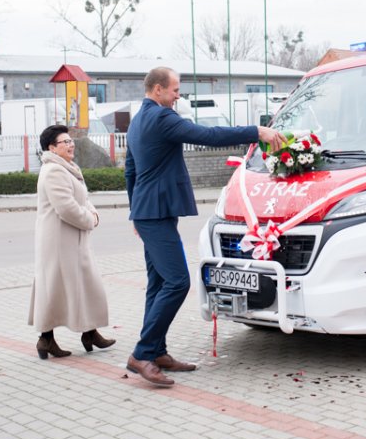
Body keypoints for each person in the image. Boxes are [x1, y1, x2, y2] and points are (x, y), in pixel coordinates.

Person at [124, 67, 284, 386]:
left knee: (158, 283)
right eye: (174, 90)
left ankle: (155, 350)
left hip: (150, 211)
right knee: (178, 282)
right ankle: (142, 353)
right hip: (153, 214)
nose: (177, 95)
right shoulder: (160, 117)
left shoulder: (138, 121)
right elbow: (208, 136)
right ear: (157, 90)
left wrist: (134, 211)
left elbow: (130, 170)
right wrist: (257, 131)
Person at [28, 125, 115, 359]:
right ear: (51, 147)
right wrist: (90, 219)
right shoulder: (53, 171)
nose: (70, 144)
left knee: (83, 285)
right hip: (59, 241)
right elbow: (66, 207)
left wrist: (93, 214)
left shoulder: (67, 168)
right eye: (64, 142)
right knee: (56, 288)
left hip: (72, 239)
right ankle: (46, 339)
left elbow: (82, 198)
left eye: (70, 140)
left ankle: (90, 332)